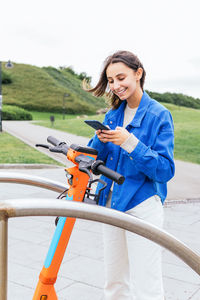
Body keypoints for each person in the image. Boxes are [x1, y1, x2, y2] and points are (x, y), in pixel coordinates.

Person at [86, 50, 175, 300]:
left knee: (146, 284)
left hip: (142, 205)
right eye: (111, 80)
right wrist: (98, 140)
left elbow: (165, 169)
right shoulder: (113, 114)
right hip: (111, 203)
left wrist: (130, 143)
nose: (115, 86)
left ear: (138, 74)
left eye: (121, 78)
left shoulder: (159, 115)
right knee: (114, 281)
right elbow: (97, 156)